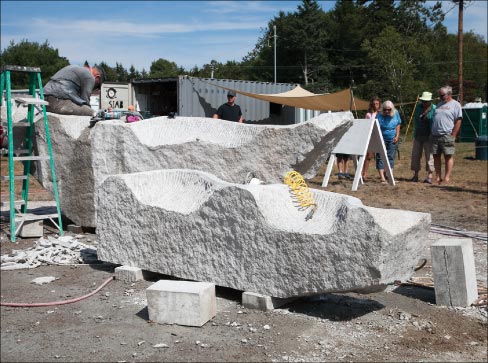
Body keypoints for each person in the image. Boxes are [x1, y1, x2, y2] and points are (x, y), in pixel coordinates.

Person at [430, 85, 462, 184]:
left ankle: (447, 177)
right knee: (436, 156)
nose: (440, 97)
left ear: (449, 94)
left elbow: (458, 120)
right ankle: (438, 177)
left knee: (448, 156)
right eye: (439, 95)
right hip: (435, 135)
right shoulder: (439, 104)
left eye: (442, 95)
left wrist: (454, 134)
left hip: (447, 135)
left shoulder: (455, 105)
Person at [410, 91, 436, 184]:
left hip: (429, 136)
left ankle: (429, 176)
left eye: (426, 101)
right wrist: (414, 134)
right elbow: (416, 121)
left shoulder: (434, 109)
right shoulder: (418, 108)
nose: (424, 102)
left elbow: (434, 122)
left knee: (430, 156)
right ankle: (415, 175)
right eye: (423, 100)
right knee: (416, 155)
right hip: (418, 135)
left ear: (430, 101)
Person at [376, 100, 401, 183]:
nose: (387, 111)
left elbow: (398, 124)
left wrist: (397, 136)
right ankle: (382, 177)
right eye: (385, 109)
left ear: (392, 109)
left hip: (392, 138)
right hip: (381, 138)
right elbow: (375, 125)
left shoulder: (396, 113)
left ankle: (390, 176)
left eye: (389, 110)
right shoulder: (379, 114)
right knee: (380, 157)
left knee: (391, 157)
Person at [363, 96, 381, 181]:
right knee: (368, 156)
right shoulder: (368, 114)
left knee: (381, 156)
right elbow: (365, 126)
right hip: (371, 137)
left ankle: (383, 174)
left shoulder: (381, 114)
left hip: (380, 136)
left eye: (377, 104)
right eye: (374, 104)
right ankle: (364, 174)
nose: (375, 105)